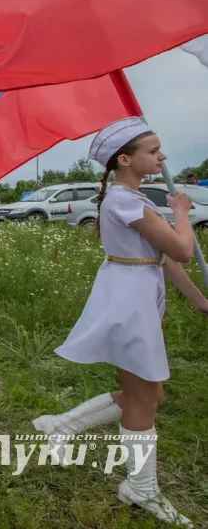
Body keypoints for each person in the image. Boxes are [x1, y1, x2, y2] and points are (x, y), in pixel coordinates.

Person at [32, 118, 208, 528]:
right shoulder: (124, 201)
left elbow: (159, 259)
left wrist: (200, 301)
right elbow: (182, 249)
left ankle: (60, 426)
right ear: (126, 159)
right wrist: (181, 210)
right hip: (128, 305)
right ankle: (141, 488)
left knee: (148, 396)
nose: (162, 157)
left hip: (136, 298)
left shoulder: (132, 198)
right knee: (144, 399)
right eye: (153, 150)